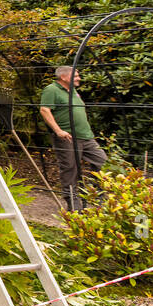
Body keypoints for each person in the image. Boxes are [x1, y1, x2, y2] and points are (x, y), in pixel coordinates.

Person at [39, 65, 108, 211]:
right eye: (75, 76)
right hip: (68, 137)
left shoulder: (73, 91)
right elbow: (45, 110)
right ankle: (74, 205)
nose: (79, 78)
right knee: (70, 169)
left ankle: (100, 197)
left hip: (86, 136)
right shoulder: (52, 90)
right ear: (63, 77)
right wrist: (58, 131)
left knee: (102, 162)